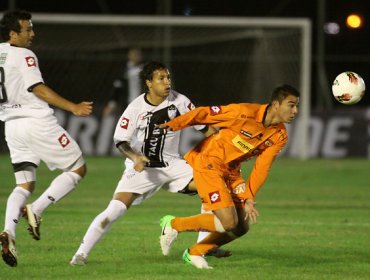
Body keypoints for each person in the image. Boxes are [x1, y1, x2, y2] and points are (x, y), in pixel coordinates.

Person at [69, 61, 217, 265]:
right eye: (161, 78)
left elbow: (207, 130)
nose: (167, 83)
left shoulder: (180, 101)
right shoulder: (135, 108)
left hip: (172, 164)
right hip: (143, 168)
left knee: (212, 188)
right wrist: (135, 157)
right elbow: (120, 140)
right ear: (149, 83)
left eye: (168, 78)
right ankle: (80, 254)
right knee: (116, 209)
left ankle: (203, 248)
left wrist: (221, 151)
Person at [158, 84, 300, 269]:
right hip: (210, 163)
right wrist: (174, 125)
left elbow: (262, 167)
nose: (295, 111)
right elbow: (204, 114)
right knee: (228, 221)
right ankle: (173, 223)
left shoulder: (279, 135)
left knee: (241, 227)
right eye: (291, 105)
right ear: (275, 104)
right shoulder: (243, 112)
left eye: (297, 106)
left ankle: (194, 251)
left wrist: (249, 196)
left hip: (231, 171)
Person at [0, 10, 93, 267]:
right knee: (78, 168)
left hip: (11, 126)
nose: (32, 34)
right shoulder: (25, 55)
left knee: (24, 184)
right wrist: (72, 107)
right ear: (12, 34)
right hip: (36, 122)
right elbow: (37, 89)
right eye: (27, 29)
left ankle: (9, 230)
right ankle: (36, 209)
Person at [102, 47, 143, 116]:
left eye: (138, 55)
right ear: (129, 56)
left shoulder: (146, 69)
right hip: (127, 104)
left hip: (143, 103)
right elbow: (117, 88)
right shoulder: (123, 70)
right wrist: (111, 105)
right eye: (134, 54)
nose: (136, 57)